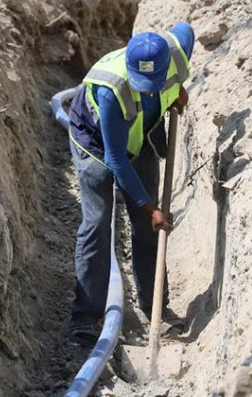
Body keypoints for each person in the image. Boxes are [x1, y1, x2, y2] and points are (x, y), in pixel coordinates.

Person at [65, 22, 194, 343]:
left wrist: (177, 90)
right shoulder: (113, 91)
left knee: (148, 228)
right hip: (94, 143)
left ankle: (155, 308)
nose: (147, 89)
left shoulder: (176, 53)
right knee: (97, 223)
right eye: (142, 83)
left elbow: (185, 29)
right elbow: (116, 159)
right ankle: (85, 317)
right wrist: (151, 207)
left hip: (141, 136)